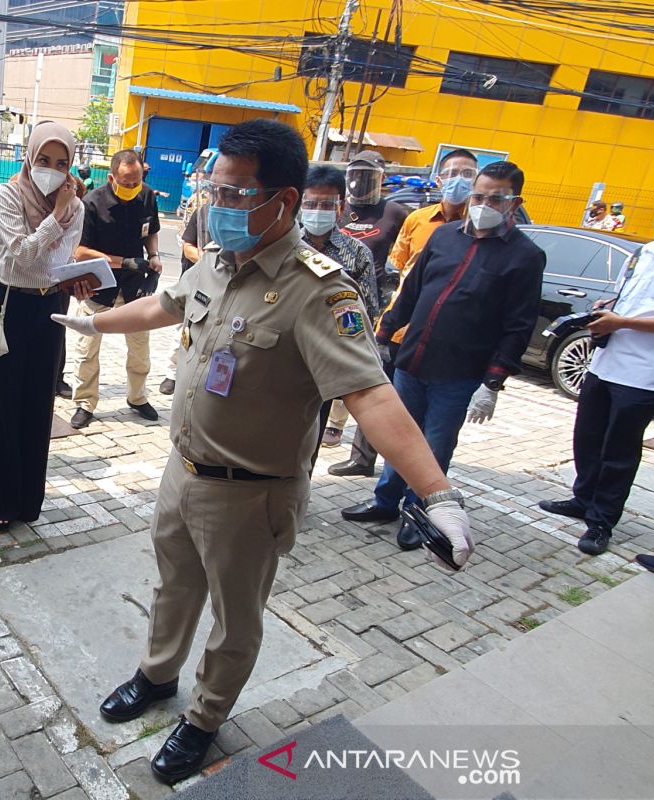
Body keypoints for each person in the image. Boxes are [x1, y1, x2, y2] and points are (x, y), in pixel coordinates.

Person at [51, 118, 473, 785]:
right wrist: (94, 320)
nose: (219, 207)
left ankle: (205, 718)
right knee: (173, 588)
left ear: (285, 201)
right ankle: (159, 677)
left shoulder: (319, 290)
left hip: (251, 495)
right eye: (214, 191)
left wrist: (437, 493)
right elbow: (164, 305)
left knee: (234, 619)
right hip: (181, 472)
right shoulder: (218, 263)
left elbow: (371, 395)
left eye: (237, 195)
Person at [342, 161, 545, 551]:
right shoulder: (445, 236)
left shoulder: (524, 256)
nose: (484, 204)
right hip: (413, 360)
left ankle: (420, 513)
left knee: (435, 447)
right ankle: (386, 502)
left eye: (496, 198)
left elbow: (518, 325)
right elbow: (412, 291)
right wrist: (383, 334)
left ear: (514, 202)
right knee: (400, 437)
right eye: (480, 196)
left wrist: (493, 382)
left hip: (459, 373)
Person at [330, 148, 478, 476]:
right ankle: (363, 459)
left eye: (467, 175)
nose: (458, 182)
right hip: (392, 324)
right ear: (439, 178)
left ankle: (414, 474)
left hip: (442, 336)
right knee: (375, 391)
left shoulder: (400, 213)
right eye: (452, 173)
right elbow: (399, 271)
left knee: (423, 414)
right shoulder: (416, 219)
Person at [539, 200, 654, 556]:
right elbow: (626, 297)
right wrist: (608, 309)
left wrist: (623, 322)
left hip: (644, 374)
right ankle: (582, 499)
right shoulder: (644, 254)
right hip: (604, 362)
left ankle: (601, 520)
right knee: (588, 437)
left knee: (619, 451)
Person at [0, 121, 86, 531]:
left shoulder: (76, 205)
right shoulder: (7, 195)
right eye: (44, 159)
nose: (52, 169)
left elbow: (57, 264)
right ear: (29, 156)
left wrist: (71, 260)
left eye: (62, 163)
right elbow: (24, 257)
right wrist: (56, 218)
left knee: (38, 408)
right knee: (2, 407)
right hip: (9, 308)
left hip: (50, 310)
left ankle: (28, 501)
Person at [69, 149, 163, 429]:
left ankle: (137, 397)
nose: (133, 188)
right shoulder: (91, 203)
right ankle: (85, 402)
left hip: (135, 290)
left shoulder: (146, 196)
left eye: (137, 181)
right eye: (127, 183)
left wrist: (154, 256)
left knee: (140, 347)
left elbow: (152, 230)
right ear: (112, 177)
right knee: (87, 348)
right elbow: (79, 250)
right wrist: (123, 262)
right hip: (98, 286)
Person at [298, 165, 378, 449]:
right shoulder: (283, 245)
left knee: (310, 439)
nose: (317, 210)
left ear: (340, 206)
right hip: (279, 353)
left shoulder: (356, 254)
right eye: (310, 203)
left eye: (325, 204)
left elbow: (366, 311)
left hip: (326, 360)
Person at [161, 163, 212, 396]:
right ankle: (172, 374)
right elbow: (187, 245)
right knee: (183, 330)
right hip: (197, 283)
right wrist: (207, 261)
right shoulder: (204, 212)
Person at [338, 149, 408, 304]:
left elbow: (404, 255)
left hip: (369, 295)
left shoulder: (393, 212)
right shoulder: (338, 206)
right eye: (355, 174)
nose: (358, 181)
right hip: (333, 286)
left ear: (381, 178)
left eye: (366, 175)